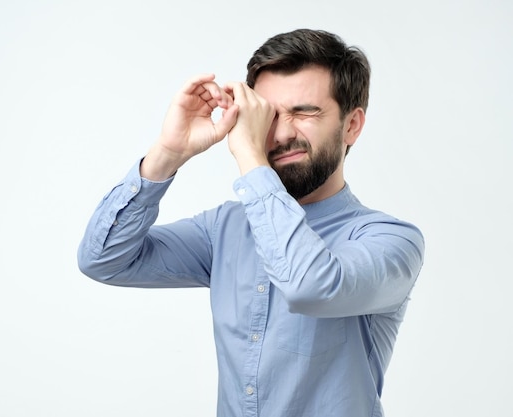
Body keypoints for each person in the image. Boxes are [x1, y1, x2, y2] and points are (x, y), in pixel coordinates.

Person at [77, 28, 425, 417]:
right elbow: (103, 259)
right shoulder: (225, 228)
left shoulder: (393, 241)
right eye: (268, 115)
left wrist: (248, 154)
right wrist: (168, 153)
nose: (280, 133)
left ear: (352, 125)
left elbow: (310, 286)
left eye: (305, 112)